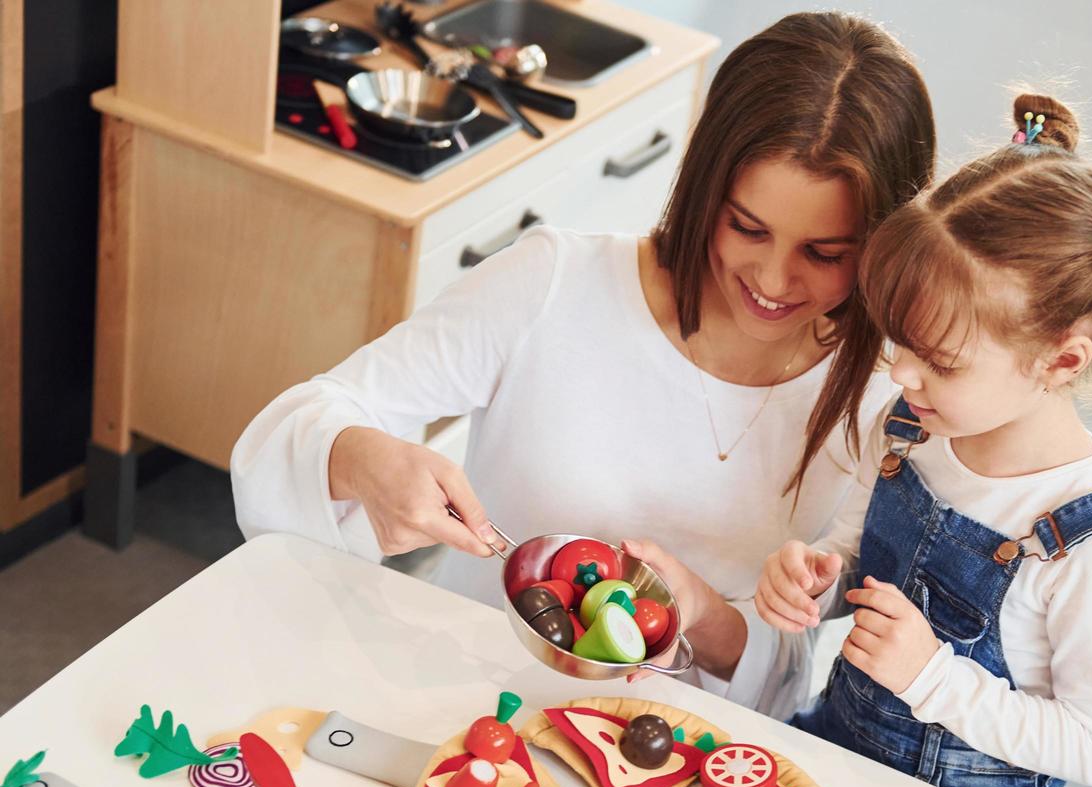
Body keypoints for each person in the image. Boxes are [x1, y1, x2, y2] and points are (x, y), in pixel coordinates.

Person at [230, 13, 935, 714]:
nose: (775, 281)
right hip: (465, 698)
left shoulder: (893, 393)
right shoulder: (554, 282)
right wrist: (360, 457)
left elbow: (786, 673)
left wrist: (699, 612)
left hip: (679, 749)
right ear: (702, 185)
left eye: (825, 254)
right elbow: (292, 427)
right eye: (747, 228)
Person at [754, 94, 1092, 787]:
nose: (901, 374)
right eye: (899, 341)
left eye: (940, 361)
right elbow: (856, 562)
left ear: (1059, 360)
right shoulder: (908, 433)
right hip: (842, 750)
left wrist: (932, 678)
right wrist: (816, 582)